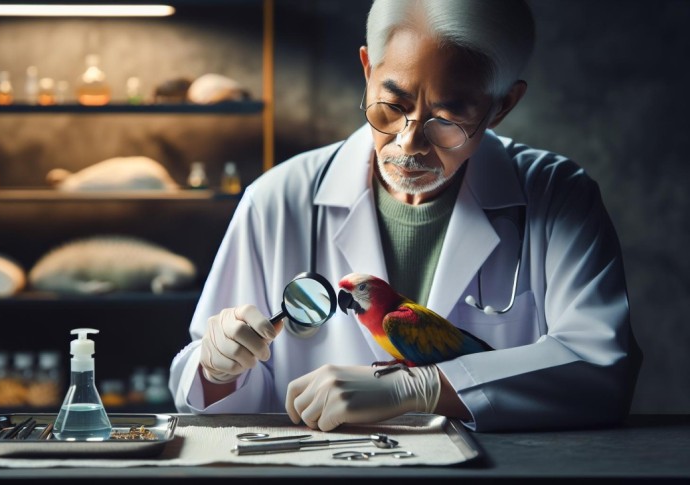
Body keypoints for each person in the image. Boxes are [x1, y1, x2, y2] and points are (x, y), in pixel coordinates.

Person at [169, 0, 641, 432]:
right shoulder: (276, 199)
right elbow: (208, 397)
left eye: (448, 119)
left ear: (501, 106)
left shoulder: (559, 197)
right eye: (392, 106)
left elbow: (600, 369)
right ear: (368, 69)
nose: (408, 143)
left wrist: (426, 387)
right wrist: (216, 367)